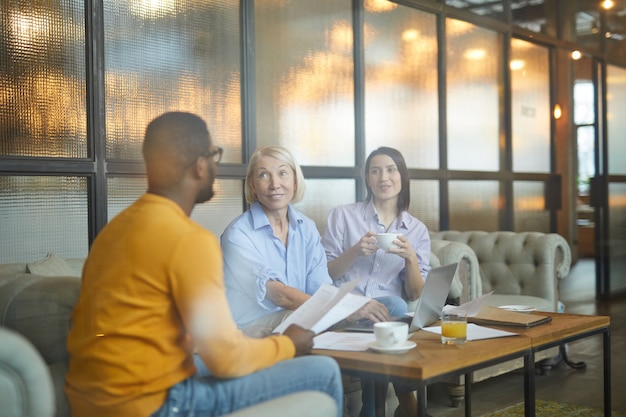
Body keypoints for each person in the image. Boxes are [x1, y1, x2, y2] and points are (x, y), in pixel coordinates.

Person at [64, 112, 343, 417]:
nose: (215, 165)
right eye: (214, 155)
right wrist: (288, 345)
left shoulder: (113, 232)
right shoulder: (191, 240)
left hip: (87, 399)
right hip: (152, 404)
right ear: (200, 166)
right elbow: (226, 361)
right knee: (325, 370)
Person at [221, 145, 390, 334]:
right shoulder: (237, 234)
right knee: (314, 321)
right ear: (252, 184)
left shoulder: (306, 227)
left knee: (388, 307)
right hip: (252, 325)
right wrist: (342, 309)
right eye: (264, 175)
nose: (275, 184)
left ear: (294, 181)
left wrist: (356, 303)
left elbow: (320, 288)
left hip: (298, 311)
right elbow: (278, 295)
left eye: (283, 173)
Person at [321, 146, 431, 417]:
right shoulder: (342, 216)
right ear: (367, 179)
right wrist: (355, 252)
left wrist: (411, 260)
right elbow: (325, 274)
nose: (384, 177)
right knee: (393, 307)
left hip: (387, 317)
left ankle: (372, 412)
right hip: (345, 308)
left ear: (402, 176)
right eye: (376, 170)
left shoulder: (416, 230)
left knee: (391, 312)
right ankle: (409, 407)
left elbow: (415, 293)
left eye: (391, 169)